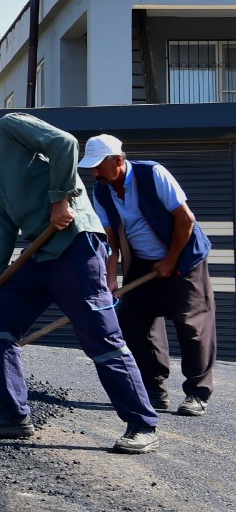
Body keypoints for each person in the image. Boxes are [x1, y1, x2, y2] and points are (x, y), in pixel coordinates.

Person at [0, 94, 160, 454]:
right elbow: (4, 224)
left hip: (74, 247)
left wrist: (61, 199)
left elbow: (64, 143)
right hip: (37, 254)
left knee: (100, 338)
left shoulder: (11, 126)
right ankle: (14, 415)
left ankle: (142, 423)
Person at [80, 134, 215, 417]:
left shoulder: (153, 174)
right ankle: (154, 389)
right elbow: (110, 239)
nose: (94, 173)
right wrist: (111, 277)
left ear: (118, 160)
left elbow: (185, 219)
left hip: (183, 258)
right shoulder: (102, 190)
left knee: (191, 325)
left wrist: (170, 259)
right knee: (134, 322)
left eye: (98, 166)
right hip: (141, 262)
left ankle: (197, 393)